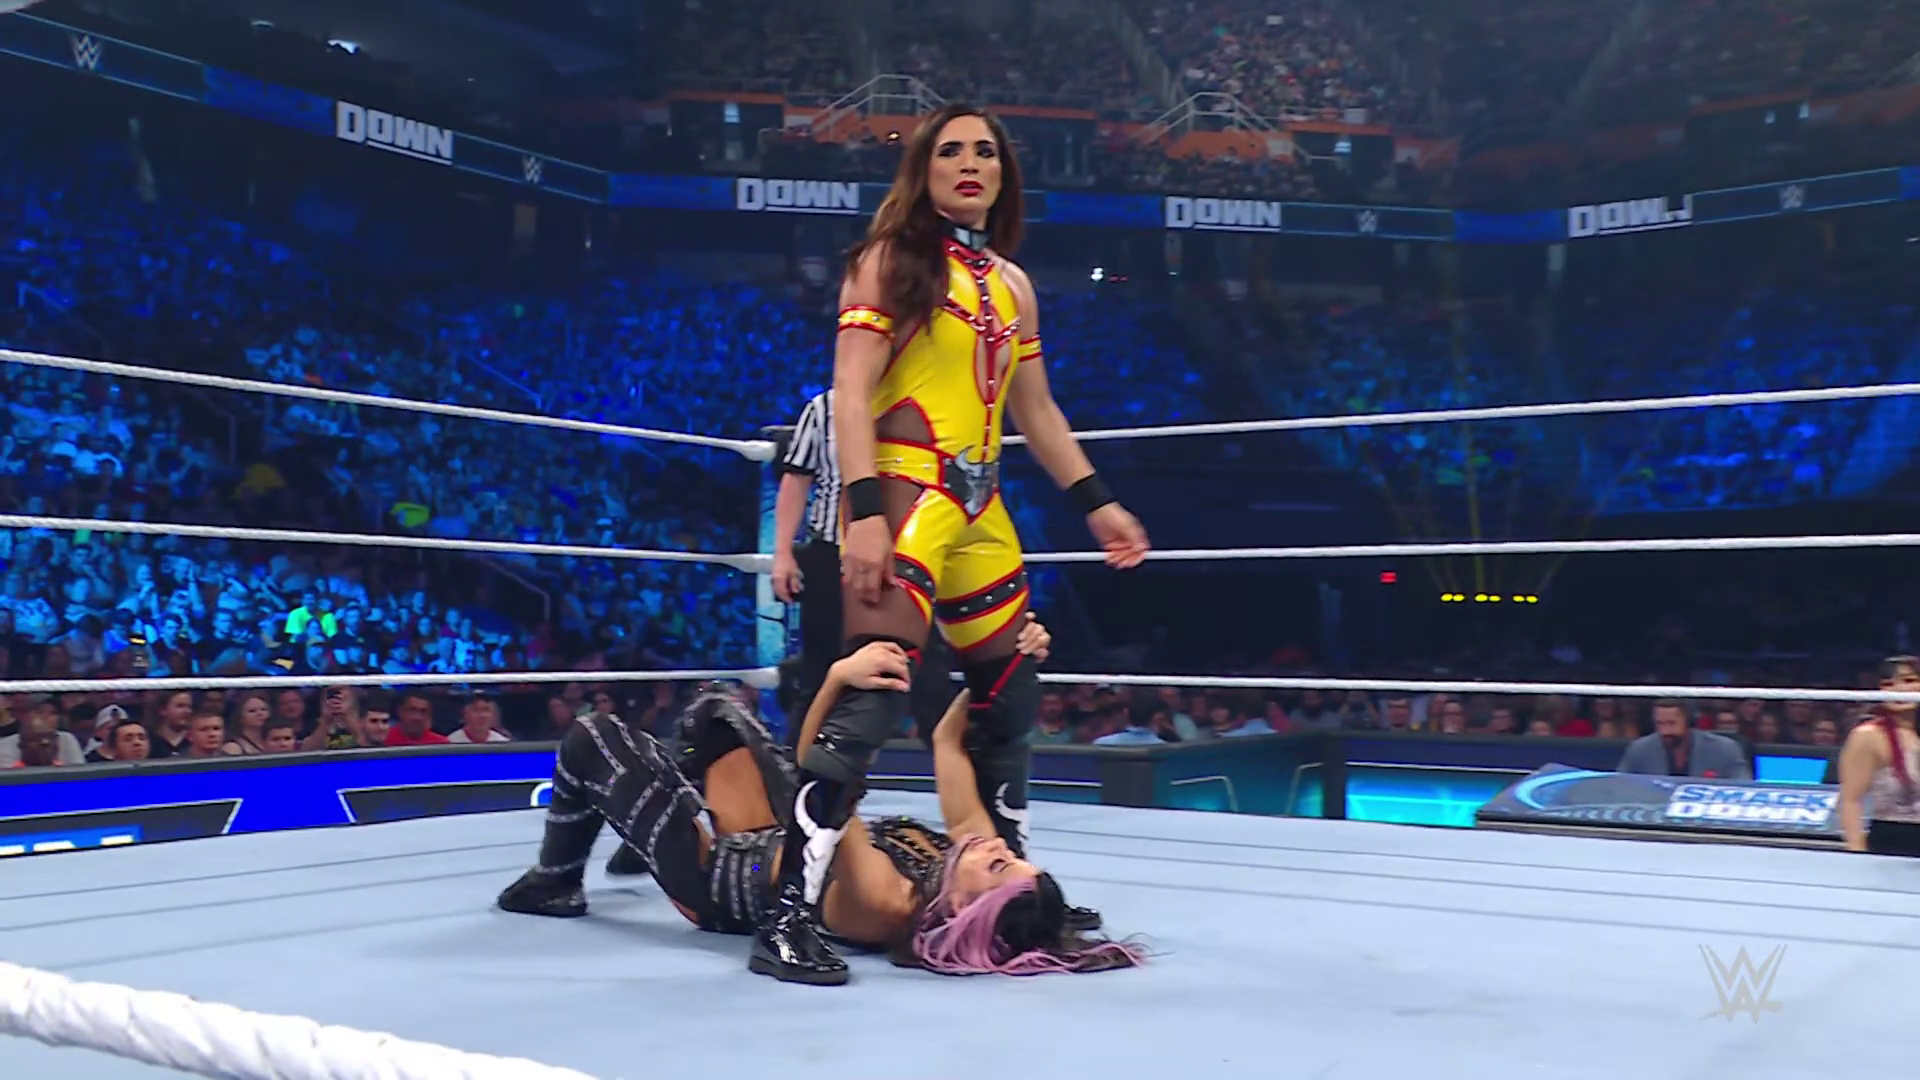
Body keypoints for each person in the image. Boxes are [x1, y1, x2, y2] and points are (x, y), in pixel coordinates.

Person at [769, 102, 1151, 985]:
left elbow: (1035, 408)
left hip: (982, 506)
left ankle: (1009, 889)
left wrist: (1097, 502)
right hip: (906, 489)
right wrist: (865, 511)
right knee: (873, 693)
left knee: (1009, 693)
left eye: (987, 150)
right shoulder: (885, 260)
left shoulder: (1011, 283)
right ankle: (789, 912)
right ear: (924, 169)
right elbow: (850, 393)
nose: (971, 162)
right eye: (951, 150)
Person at [497, 614, 1144, 981]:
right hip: (770, 833)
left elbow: (816, 777)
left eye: (1000, 865)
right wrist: (1007, 662)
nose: (998, 847)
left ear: (965, 909)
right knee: (714, 713)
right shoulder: (956, 864)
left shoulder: (883, 902)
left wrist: (837, 679)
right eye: (1013, 855)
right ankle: (638, 832)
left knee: (592, 737)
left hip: (716, 876)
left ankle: (555, 881)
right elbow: (951, 744)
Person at [772, 391, 953, 752]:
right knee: (819, 670)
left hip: (906, 554)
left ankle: (958, 772)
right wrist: (782, 554)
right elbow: (796, 480)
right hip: (829, 553)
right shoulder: (823, 408)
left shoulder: (921, 400)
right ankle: (795, 773)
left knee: (928, 672)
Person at [1836, 656, 1920, 855]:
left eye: (1909, 680)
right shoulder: (1868, 736)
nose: (1898, 689)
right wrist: (1857, 852)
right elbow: (1850, 800)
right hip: (1895, 843)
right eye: (1888, 684)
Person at [1615, 698, 1750, 780]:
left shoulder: (1724, 749)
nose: (1665, 731)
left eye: (1671, 723)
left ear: (1689, 721)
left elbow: (1743, 787)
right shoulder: (1639, 749)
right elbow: (1619, 786)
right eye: (1660, 723)